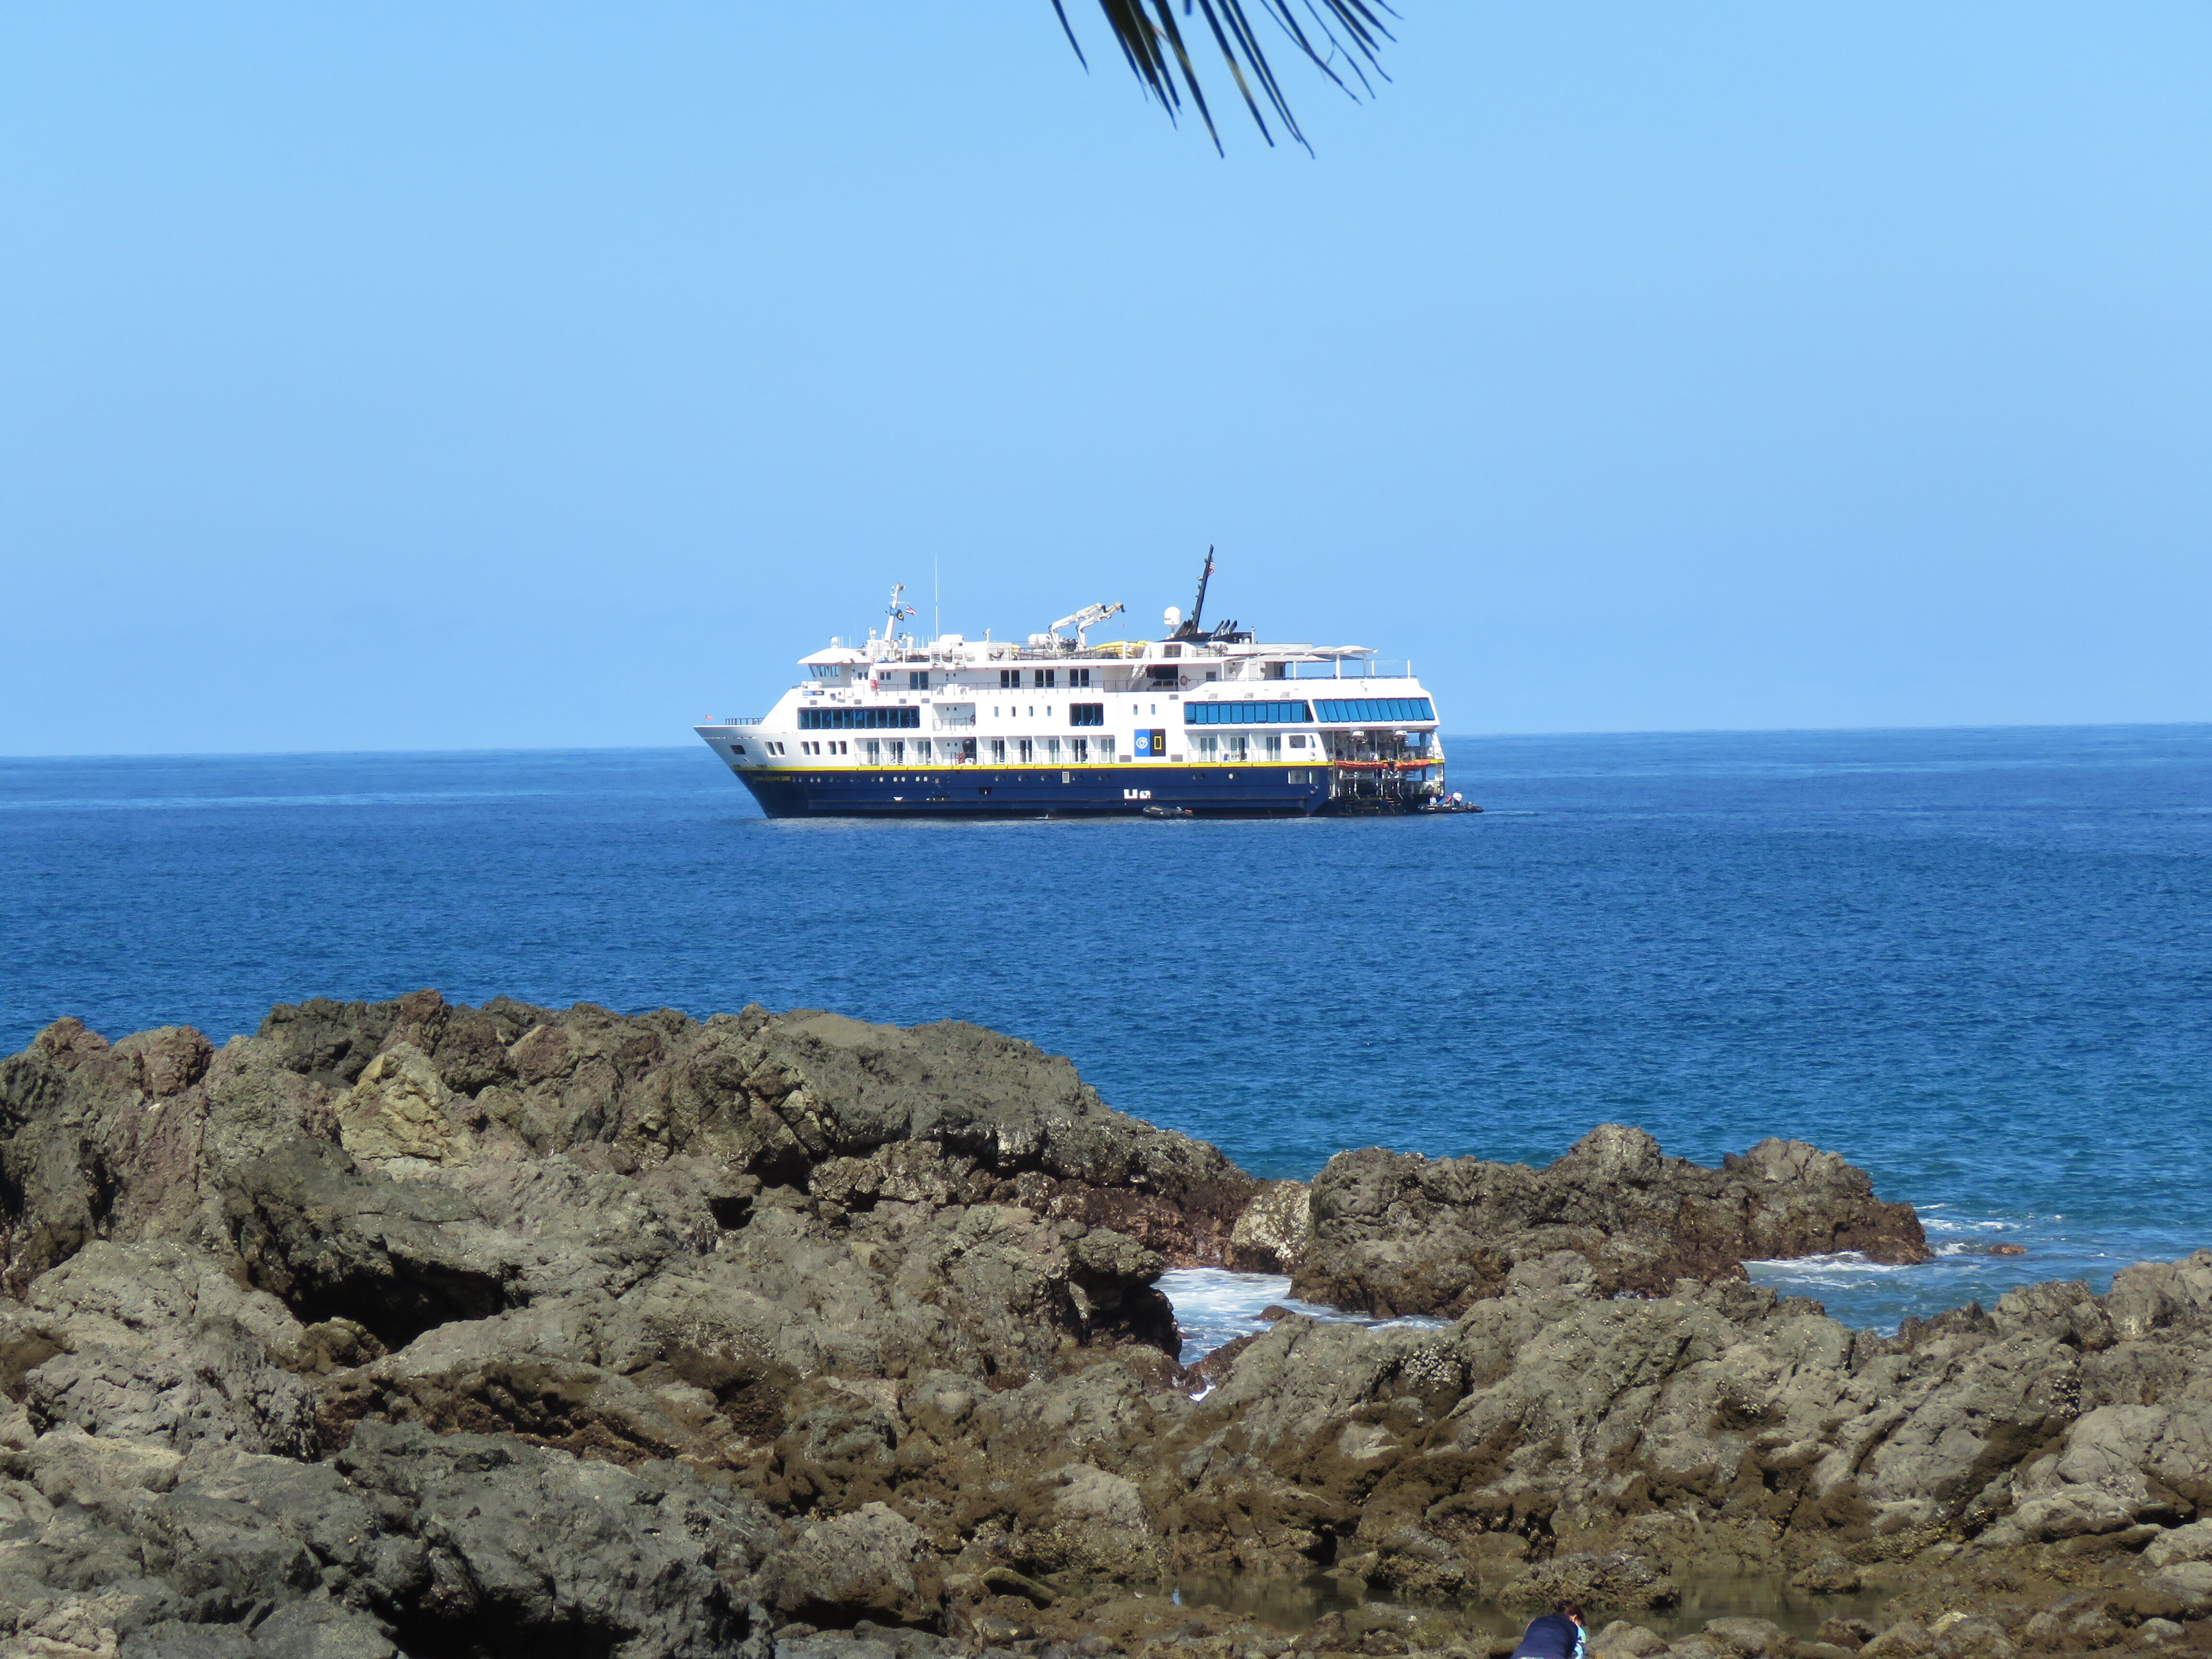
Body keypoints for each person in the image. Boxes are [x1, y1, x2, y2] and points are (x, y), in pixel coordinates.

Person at [1509, 1602, 1586, 1659]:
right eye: (1581, 1624)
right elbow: (1578, 1655)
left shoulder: (1534, 1622)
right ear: (1575, 1618)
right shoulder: (1577, 1629)